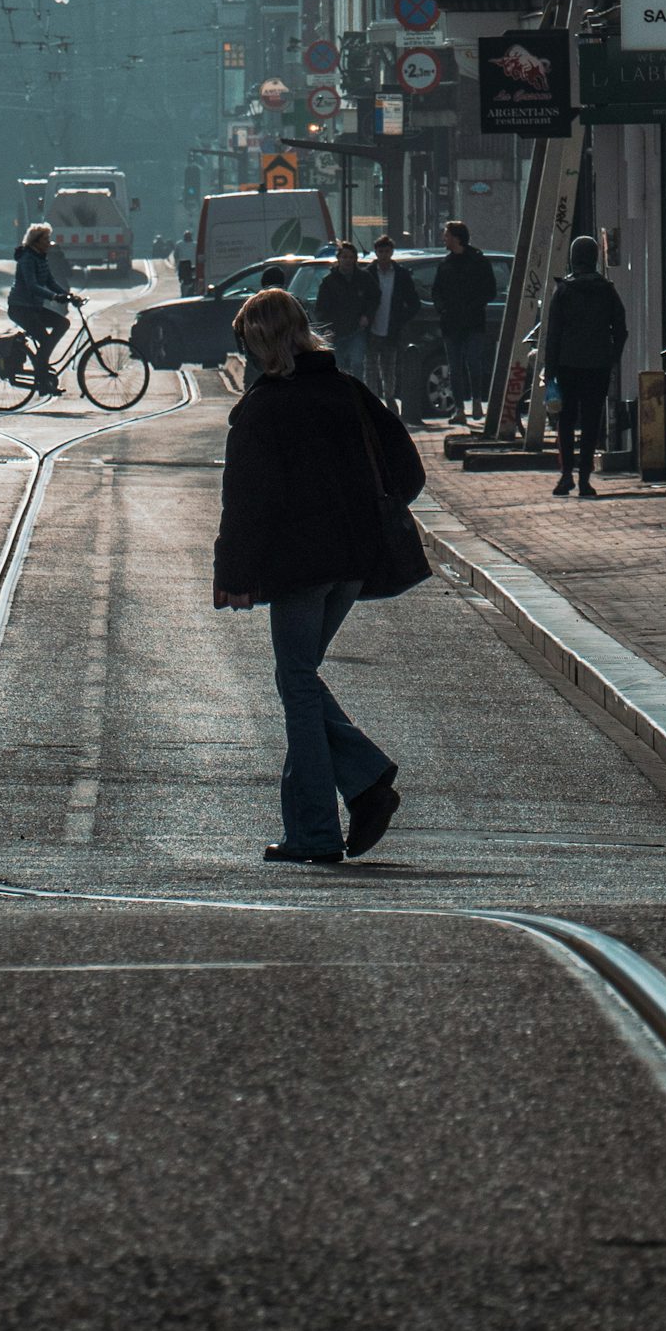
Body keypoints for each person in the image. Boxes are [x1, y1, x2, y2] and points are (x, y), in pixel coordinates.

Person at [213, 286, 423, 865]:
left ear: (259, 344)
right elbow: (408, 471)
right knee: (298, 679)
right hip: (355, 562)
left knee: (298, 684)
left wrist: (232, 575)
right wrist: (363, 514)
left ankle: (325, 823)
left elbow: (246, 505)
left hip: (300, 568)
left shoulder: (263, 408)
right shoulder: (348, 391)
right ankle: (354, 791)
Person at [541, 235, 628, 497]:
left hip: (567, 365)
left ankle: (566, 475)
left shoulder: (564, 291)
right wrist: (611, 357)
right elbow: (620, 329)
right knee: (592, 420)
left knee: (565, 420)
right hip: (597, 366)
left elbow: (553, 334)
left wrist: (551, 369)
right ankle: (585, 480)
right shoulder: (607, 290)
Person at [434, 221, 497, 421]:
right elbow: (437, 291)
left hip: (473, 322)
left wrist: (474, 305)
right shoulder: (445, 264)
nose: (444, 238)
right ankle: (459, 409)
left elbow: (490, 290)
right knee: (454, 368)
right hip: (451, 323)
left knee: (473, 363)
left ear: (457, 237)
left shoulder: (478, 261)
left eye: (447, 234)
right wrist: (442, 308)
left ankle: (477, 403)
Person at [8, 221, 74, 394]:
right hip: (20, 308)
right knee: (45, 340)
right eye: (46, 239)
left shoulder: (40, 257)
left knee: (63, 323)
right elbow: (32, 286)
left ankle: (41, 362)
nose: (49, 243)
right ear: (36, 242)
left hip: (33, 307)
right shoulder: (27, 259)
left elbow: (50, 282)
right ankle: (42, 378)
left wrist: (68, 296)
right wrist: (54, 297)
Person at [362, 234, 422, 412]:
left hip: (391, 330)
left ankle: (389, 399)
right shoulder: (368, 274)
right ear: (375, 252)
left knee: (389, 369)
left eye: (386, 251)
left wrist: (401, 319)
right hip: (371, 329)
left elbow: (414, 303)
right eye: (380, 251)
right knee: (370, 369)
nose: (383, 254)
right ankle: (372, 402)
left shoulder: (401, 274)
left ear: (391, 252)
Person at [313, 240, 377, 379]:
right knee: (338, 367)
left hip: (357, 330)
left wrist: (368, 315)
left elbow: (375, 298)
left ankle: (359, 393)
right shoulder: (329, 281)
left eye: (351, 257)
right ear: (338, 258)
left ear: (355, 259)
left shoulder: (364, 278)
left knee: (357, 363)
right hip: (336, 332)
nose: (347, 260)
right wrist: (326, 329)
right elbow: (321, 308)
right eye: (344, 256)